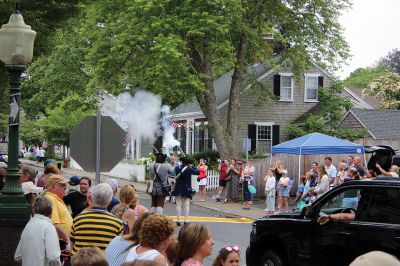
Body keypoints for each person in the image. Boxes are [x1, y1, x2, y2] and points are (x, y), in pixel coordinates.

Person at [70, 183, 123, 255]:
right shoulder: (118, 224)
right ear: (110, 200)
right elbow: (118, 250)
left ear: (92, 198)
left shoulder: (78, 219)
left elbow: (72, 244)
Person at [14, 196, 61, 266]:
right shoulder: (48, 227)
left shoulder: (28, 225)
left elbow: (17, 257)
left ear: (34, 210)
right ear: (51, 211)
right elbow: (53, 257)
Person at [42, 174, 73, 254]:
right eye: (63, 185)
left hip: (61, 241)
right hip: (60, 242)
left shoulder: (55, 198)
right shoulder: (51, 199)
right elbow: (55, 224)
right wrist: (67, 240)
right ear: (53, 187)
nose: (65, 188)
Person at [171, 157, 200, 226]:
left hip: (178, 187)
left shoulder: (177, 168)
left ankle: (178, 220)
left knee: (178, 204)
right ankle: (185, 221)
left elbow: (172, 174)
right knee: (186, 205)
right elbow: (198, 172)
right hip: (187, 188)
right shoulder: (189, 169)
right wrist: (192, 166)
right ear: (188, 163)